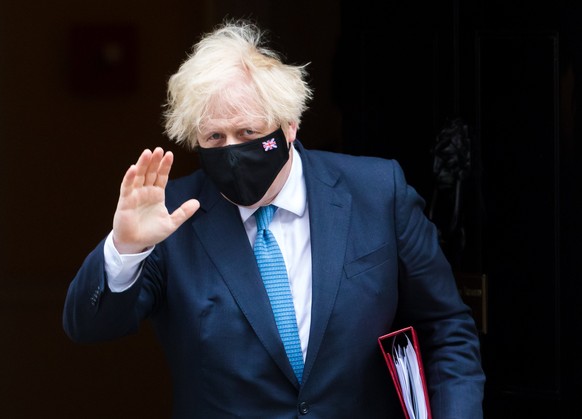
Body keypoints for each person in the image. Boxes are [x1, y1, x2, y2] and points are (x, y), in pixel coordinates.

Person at [63, 18, 485, 418]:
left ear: (289, 126)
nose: (232, 151)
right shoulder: (172, 215)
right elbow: (89, 327)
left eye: (248, 133)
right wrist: (126, 249)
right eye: (214, 138)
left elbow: (445, 326)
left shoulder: (376, 192)